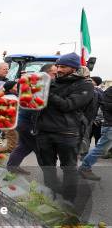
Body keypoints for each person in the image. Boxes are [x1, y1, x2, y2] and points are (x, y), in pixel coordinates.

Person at [35, 53, 93, 202]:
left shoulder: (84, 85)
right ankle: (50, 197)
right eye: (58, 66)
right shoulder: (53, 82)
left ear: (73, 68)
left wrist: (47, 92)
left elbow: (68, 105)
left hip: (67, 134)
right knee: (47, 168)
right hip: (44, 132)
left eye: (63, 66)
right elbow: (37, 104)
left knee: (69, 169)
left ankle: (69, 202)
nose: (59, 69)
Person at [7, 63, 57, 174]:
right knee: (40, 150)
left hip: (25, 121)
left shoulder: (36, 82)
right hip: (28, 123)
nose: (56, 76)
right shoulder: (38, 84)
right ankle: (50, 177)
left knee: (24, 146)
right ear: (46, 73)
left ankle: (12, 167)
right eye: (54, 74)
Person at [79, 82, 112, 180]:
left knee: (101, 148)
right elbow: (106, 106)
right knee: (101, 149)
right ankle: (84, 167)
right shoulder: (109, 91)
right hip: (110, 125)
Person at [0, 81, 19, 160]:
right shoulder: (9, 98)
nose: (17, 88)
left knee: (16, 146)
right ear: (10, 89)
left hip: (12, 124)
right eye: (15, 87)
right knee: (11, 147)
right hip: (11, 126)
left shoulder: (8, 96)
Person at [90, 76, 104, 145]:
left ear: (95, 82)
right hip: (93, 119)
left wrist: (98, 119)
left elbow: (102, 106)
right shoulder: (100, 91)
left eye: (91, 80)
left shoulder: (97, 91)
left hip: (95, 120)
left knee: (97, 138)